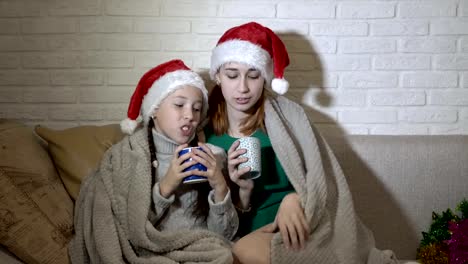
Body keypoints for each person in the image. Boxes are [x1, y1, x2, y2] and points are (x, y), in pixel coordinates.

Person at [204, 22, 398, 264]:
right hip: (248, 234)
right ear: (218, 76)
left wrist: (295, 198)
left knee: (243, 252)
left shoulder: (288, 118)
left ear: (264, 78)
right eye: (232, 75)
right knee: (237, 252)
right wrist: (243, 193)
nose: (242, 87)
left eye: (253, 75)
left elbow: (324, 180)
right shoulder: (206, 134)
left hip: (303, 228)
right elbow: (213, 221)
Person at [69, 59, 238, 263]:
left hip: (203, 251)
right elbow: (131, 229)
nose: (189, 115)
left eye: (196, 108)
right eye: (179, 105)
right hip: (155, 252)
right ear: (154, 110)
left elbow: (223, 236)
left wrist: (220, 186)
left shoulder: (211, 156)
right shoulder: (130, 157)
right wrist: (167, 185)